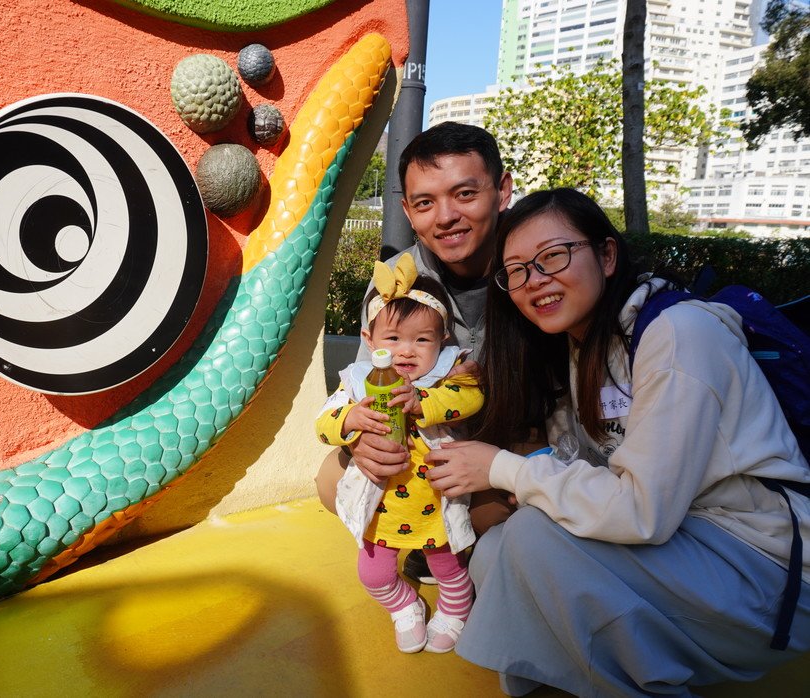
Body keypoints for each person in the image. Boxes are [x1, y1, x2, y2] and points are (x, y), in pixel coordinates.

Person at [423, 188, 810, 696]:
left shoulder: (679, 333)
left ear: (607, 256)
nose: (534, 280)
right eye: (516, 271)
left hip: (766, 571)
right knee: (496, 551)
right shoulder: (584, 345)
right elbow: (592, 466)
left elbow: (641, 511)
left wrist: (504, 469)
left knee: (532, 540)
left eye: (552, 256)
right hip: (692, 542)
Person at [315, 123, 521, 582]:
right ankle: (423, 546)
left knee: (495, 512)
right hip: (426, 441)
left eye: (465, 194)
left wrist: (511, 463)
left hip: (512, 436)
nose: (445, 216)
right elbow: (371, 381)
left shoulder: (531, 265)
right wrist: (362, 440)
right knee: (333, 479)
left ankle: (466, 553)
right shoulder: (394, 282)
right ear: (408, 211)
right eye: (425, 202)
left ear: (502, 191)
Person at [316, 252, 483, 653]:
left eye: (422, 340)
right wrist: (350, 419)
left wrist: (423, 401)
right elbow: (323, 424)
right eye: (393, 339)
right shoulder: (358, 382)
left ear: (442, 340)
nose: (406, 352)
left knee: (449, 567)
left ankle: (456, 608)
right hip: (380, 505)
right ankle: (405, 606)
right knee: (373, 575)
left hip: (434, 501)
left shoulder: (446, 374)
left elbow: (469, 398)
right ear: (369, 341)